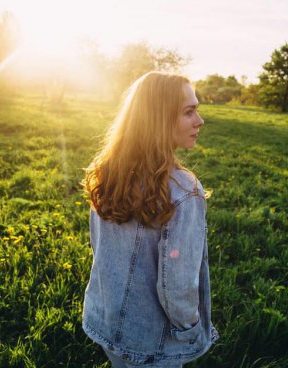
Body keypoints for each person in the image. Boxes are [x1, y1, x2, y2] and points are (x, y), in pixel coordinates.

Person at [82, 71, 219, 367]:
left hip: (106, 321)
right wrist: (191, 331)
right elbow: (178, 287)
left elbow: (100, 250)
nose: (200, 121)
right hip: (152, 342)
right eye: (189, 112)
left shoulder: (106, 173)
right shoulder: (184, 192)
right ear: (159, 119)